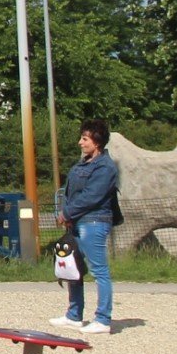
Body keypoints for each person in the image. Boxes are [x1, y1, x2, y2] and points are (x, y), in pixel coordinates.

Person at [53, 118, 120, 336]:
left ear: (97, 141)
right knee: (74, 267)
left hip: (94, 222)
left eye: (85, 139)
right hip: (78, 221)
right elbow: (71, 192)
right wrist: (67, 214)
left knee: (99, 270)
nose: (80, 142)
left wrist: (67, 213)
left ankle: (103, 319)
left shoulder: (105, 167)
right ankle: (74, 315)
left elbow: (92, 196)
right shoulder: (84, 163)